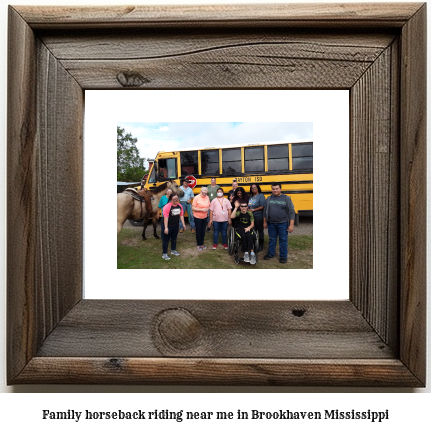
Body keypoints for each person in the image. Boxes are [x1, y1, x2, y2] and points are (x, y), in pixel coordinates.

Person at [263, 182, 295, 264]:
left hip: (283, 223)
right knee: (272, 239)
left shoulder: (286, 198)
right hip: (271, 223)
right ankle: (271, 254)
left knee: (283, 240)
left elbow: (291, 212)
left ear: (280, 189)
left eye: (277, 188)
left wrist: (291, 225)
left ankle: (283, 256)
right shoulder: (269, 198)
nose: (275, 190)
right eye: (273, 189)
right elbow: (265, 211)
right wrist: (265, 222)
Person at [162, 193, 186, 260]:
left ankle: (173, 250)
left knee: (174, 238)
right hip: (168, 226)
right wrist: (166, 228)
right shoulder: (167, 206)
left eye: (177, 199)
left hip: (175, 225)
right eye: (174, 199)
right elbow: (166, 217)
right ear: (170, 199)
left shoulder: (180, 206)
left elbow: (181, 215)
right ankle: (164, 254)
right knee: (166, 240)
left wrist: (183, 224)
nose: (176, 200)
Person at [192, 186, 210, 251]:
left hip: (205, 217)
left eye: (206, 193)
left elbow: (208, 205)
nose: (204, 194)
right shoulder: (196, 197)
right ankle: (198, 244)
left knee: (203, 230)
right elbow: (193, 208)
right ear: (200, 191)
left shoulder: (207, 197)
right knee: (198, 230)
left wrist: (208, 208)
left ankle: (202, 243)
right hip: (197, 217)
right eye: (203, 193)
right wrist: (202, 210)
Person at [248, 183, 266, 252]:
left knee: (260, 231)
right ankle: (255, 244)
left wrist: (253, 210)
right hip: (252, 217)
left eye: (255, 187)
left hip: (259, 217)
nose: (253, 189)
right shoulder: (251, 197)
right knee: (253, 231)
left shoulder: (261, 196)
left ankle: (261, 245)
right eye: (252, 188)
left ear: (258, 188)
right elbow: (249, 205)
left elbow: (262, 206)